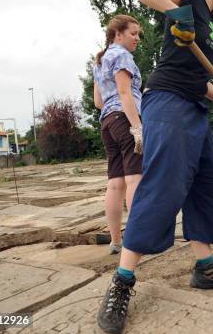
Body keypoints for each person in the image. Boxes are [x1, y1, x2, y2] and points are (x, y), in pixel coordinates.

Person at [97, 0, 213, 334]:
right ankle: (122, 281)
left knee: (204, 189)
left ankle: (205, 268)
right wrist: (175, 12)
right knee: (163, 185)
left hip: (194, 106)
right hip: (166, 102)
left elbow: (199, 79)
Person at [93, 14, 143, 256]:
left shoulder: (100, 60)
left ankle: (116, 241)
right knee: (135, 178)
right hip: (124, 119)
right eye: (133, 33)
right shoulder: (122, 55)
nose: (137, 38)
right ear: (118, 34)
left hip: (107, 123)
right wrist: (137, 127)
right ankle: (137, 240)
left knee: (115, 183)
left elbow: (98, 101)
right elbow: (125, 93)